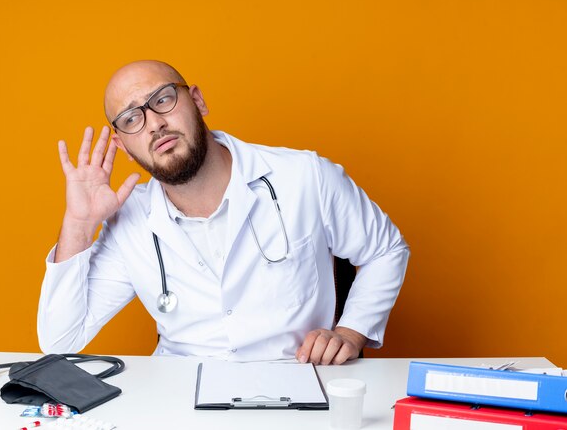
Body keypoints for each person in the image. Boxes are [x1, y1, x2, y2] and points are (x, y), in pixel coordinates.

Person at [37, 60, 409, 365]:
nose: (154, 123)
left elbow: (386, 249)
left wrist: (350, 331)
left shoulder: (305, 176)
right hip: (178, 403)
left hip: (296, 385)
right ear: (123, 145)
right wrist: (80, 224)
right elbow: (60, 340)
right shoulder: (129, 220)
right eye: (132, 119)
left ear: (197, 101)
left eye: (163, 99)